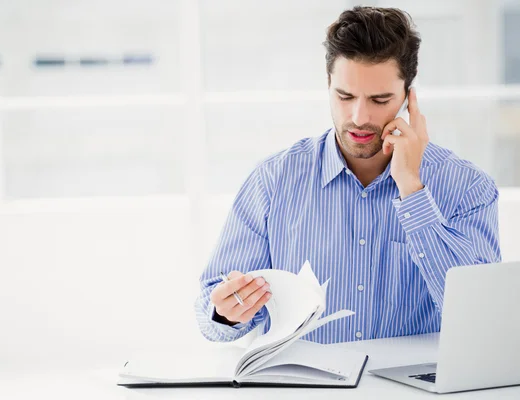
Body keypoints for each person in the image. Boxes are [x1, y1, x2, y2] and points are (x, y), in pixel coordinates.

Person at [195, 6, 501, 344]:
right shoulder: (272, 181)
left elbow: (483, 321)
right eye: (345, 96)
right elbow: (212, 318)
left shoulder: (468, 187)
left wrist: (413, 191)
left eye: (380, 99)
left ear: (408, 97)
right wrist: (227, 312)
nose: (359, 117)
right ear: (328, 84)